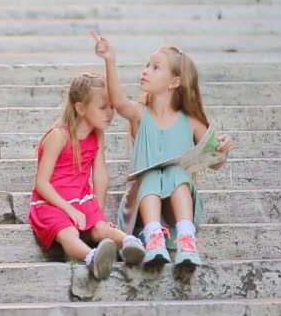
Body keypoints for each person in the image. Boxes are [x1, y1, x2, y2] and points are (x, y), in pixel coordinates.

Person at [90, 30, 235, 267]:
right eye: (147, 65)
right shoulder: (140, 114)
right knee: (151, 174)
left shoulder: (190, 121)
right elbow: (118, 102)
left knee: (175, 172)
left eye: (156, 67)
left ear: (174, 82)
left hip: (177, 208)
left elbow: (215, 161)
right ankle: (153, 237)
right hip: (141, 206)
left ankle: (187, 238)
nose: (146, 70)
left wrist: (224, 146)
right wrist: (110, 60)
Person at [28, 71, 146, 280]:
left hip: (82, 199)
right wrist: (69, 210)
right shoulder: (58, 135)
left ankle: (130, 244)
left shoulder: (97, 132)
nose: (110, 113)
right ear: (81, 108)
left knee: (101, 228)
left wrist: (97, 214)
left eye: (111, 106)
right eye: (103, 107)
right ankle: (92, 257)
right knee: (68, 233)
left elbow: (101, 177)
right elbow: (42, 183)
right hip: (52, 202)